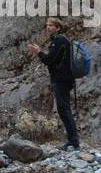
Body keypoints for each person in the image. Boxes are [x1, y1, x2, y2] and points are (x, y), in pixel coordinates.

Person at [29, 18, 80, 150]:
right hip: (63, 79)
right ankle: (72, 140)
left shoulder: (60, 40)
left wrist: (39, 52)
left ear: (58, 27)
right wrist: (41, 53)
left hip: (62, 79)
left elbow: (49, 60)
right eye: (47, 25)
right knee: (64, 109)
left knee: (64, 109)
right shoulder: (58, 40)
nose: (48, 27)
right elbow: (52, 60)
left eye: (51, 25)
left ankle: (73, 141)